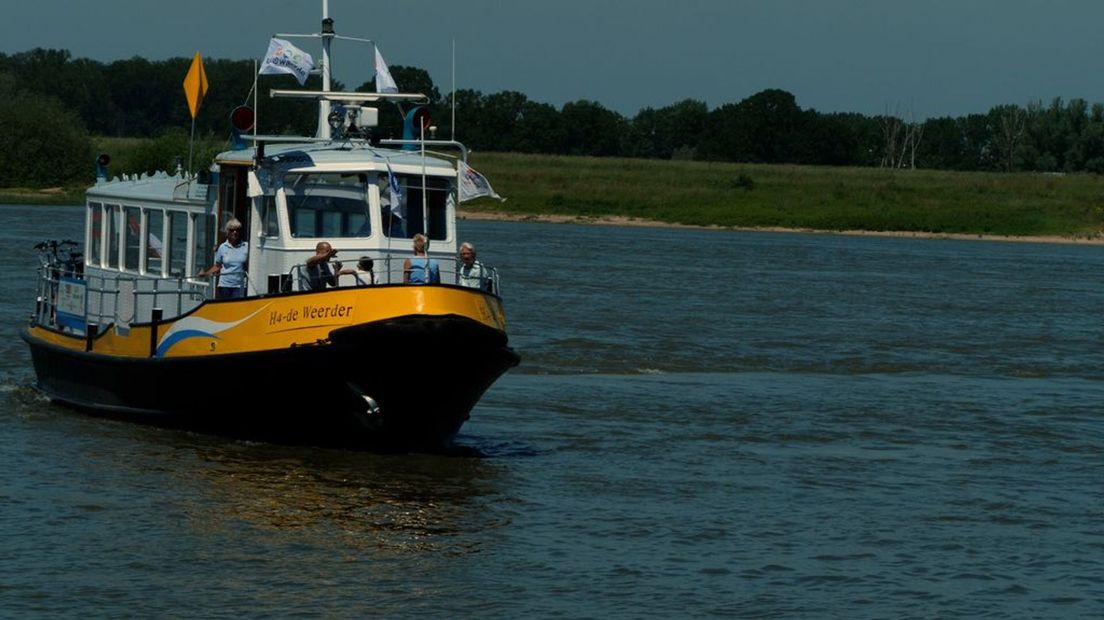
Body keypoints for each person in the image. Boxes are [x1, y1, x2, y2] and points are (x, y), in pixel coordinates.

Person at [198, 218, 248, 299]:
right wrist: (206, 273)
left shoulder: (246, 246)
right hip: (225, 285)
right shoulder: (222, 247)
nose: (235, 232)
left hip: (240, 285)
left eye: (237, 230)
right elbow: (218, 266)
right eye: (232, 230)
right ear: (227, 232)